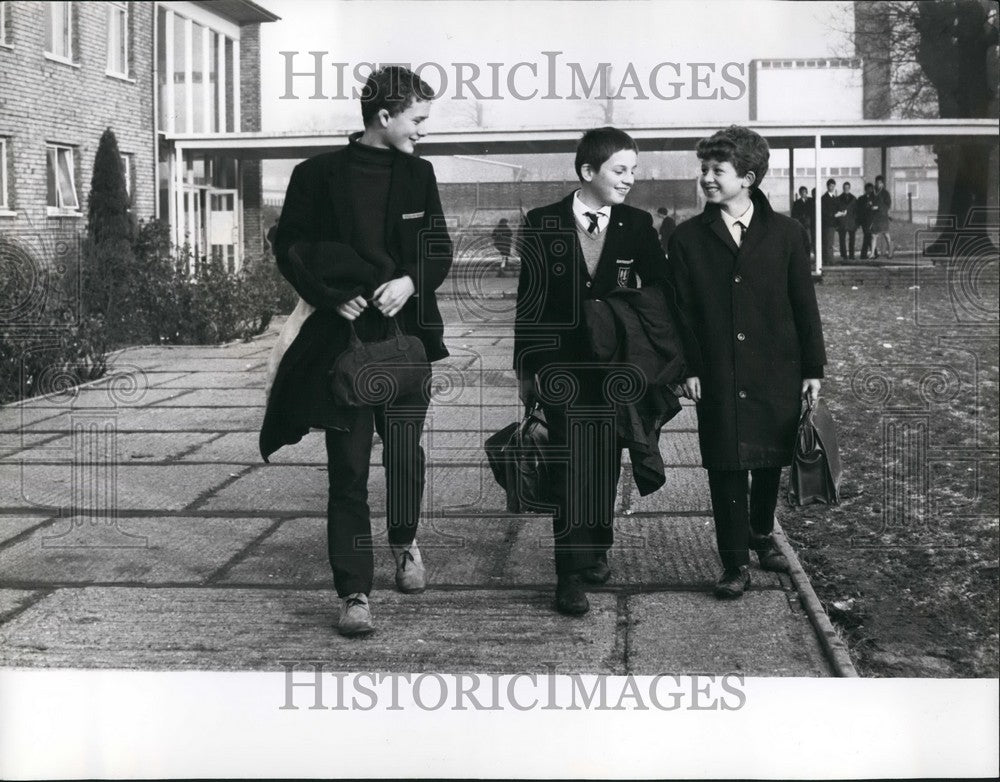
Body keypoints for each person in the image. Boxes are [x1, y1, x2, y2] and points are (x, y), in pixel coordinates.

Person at [260, 66, 453, 637]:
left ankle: (405, 542)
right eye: (417, 119)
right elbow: (289, 245)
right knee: (347, 471)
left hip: (405, 343)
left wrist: (412, 282)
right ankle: (354, 592)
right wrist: (329, 296)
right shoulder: (315, 175)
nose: (423, 131)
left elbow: (437, 245)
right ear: (385, 116)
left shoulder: (420, 175)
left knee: (404, 456)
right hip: (343, 348)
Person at [514, 127, 686, 616]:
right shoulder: (543, 222)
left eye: (634, 170)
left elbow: (662, 293)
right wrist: (527, 373)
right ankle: (568, 575)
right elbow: (529, 304)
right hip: (562, 370)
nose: (630, 179)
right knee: (572, 463)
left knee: (607, 459)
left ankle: (597, 548)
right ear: (588, 172)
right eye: (620, 170)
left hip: (618, 371)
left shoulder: (636, 224)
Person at [666, 125, 826, 599]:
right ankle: (734, 562)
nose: (707, 178)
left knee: (769, 459)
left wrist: (813, 369)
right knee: (726, 464)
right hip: (716, 370)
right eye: (704, 169)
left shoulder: (787, 234)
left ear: (749, 178)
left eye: (719, 170)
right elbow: (681, 312)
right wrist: (687, 368)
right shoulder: (688, 238)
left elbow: (804, 304)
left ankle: (761, 534)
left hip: (776, 368)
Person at [871, 174, 893, 259]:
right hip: (875, 217)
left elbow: (888, 205)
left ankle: (890, 252)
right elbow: (871, 201)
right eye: (877, 182)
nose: (878, 184)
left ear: (882, 184)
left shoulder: (885, 193)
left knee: (886, 234)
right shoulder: (873, 193)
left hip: (883, 216)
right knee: (873, 235)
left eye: (880, 183)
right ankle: (872, 253)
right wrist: (870, 204)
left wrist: (878, 207)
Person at [835, 181, 858, 260]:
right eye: (845, 188)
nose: (846, 189)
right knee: (842, 240)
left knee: (852, 240)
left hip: (851, 222)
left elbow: (856, 211)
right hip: (842, 222)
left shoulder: (854, 198)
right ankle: (843, 255)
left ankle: (852, 255)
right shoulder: (838, 198)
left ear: (849, 188)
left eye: (847, 188)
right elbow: (836, 210)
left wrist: (856, 222)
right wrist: (837, 223)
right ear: (843, 188)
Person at [820, 178, 838, 264]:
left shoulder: (834, 197)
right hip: (827, 223)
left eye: (833, 186)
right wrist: (834, 214)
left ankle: (829, 259)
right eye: (831, 186)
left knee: (830, 242)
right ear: (827, 186)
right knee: (828, 243)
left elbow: (836, 208)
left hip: (832, 223)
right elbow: (824, 212)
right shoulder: (824, 198)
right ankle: (828, 260)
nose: (832, 187)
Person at [857, 182, 875, 260]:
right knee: (868, 236)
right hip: (864, 221)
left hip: (872, 220)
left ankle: (867, 254)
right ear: (865, 190)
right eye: (868, 189)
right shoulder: (861, 199)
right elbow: (859, 210)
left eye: (871, 189)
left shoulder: (875, 198)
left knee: (869, 236)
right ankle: (872, 253)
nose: (870, 191)